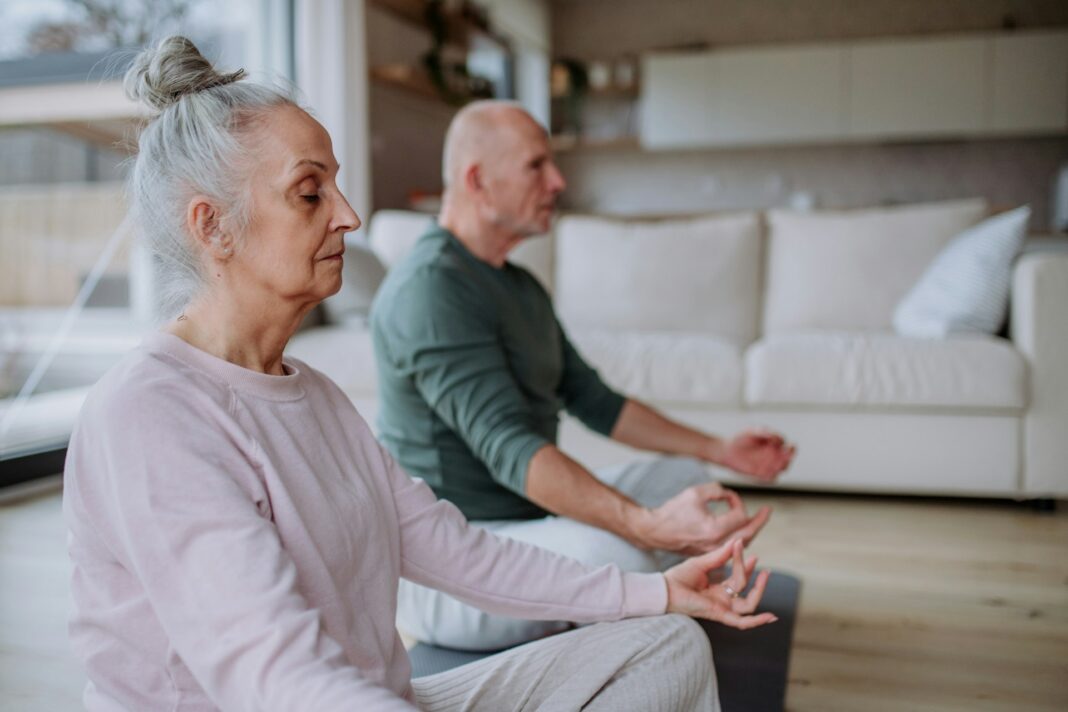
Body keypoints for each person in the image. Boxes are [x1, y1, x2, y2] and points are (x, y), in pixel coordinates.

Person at [62, 37, 778, 712]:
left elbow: (456, 549)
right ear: (212, 226)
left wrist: (655, 592)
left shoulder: (314, 396)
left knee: (666, 645)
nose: (348, 216)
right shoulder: (151, 413)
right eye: (311, 193)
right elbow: (280, 680)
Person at [371, 100, 797, 651]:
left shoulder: (519, 286)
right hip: (457, 565)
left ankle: (633, 590)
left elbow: (594, 400)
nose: (558, 180)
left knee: (688, 483)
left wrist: (721, 450)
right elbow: (511, 448)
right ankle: (636, 593)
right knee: (624, 556)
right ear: (478, 179)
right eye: (536, 165)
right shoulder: (431, 291)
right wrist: (643, 526)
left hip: (528, 523)